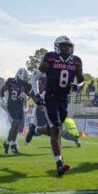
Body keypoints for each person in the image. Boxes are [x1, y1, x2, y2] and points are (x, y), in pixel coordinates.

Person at [29, 35, 85, 176]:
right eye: (63, 46)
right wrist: (36, 94)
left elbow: (82, 81)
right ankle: (59, 163)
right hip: (51, 97)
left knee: (52, 130)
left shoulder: (76, 61)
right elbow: (34, 77)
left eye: (68, 46)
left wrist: (78, 87)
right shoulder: (50, 58)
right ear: (57, 47)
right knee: (56, 130)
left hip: (64, 99)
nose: (66, 48)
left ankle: (35, 129)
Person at [26, 77, 80, 147]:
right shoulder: (43, 91)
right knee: (51, 130)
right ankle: (34, 130)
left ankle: (34, 130)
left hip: (52, 111)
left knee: (55, 130)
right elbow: (39, 104)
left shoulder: (49, 90)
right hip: (46, 111)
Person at [0, 68, 32, 154]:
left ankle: (7, 143)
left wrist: (26, 96)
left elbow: (29, 95)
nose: (23, 82)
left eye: (24, 81)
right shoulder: (11, 81)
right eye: (21, 80)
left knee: (17, 128)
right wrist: (3, 101)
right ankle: (13, 144)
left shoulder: (27, 85)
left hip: (20, 107)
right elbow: (2, 90)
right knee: (15, 122)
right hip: (11, 106)